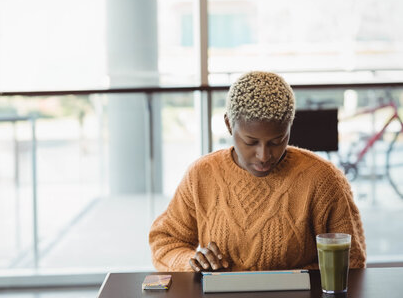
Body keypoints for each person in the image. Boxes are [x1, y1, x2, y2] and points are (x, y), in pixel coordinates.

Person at [149, 71, 366, 272]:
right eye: (251, 142)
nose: (264, 155)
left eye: (277, 141)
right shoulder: (201, 175)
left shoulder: (323, 179)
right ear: (228, 125)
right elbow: (166, 242)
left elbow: (352, 262)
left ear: (290, 127)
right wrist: (191, 263)